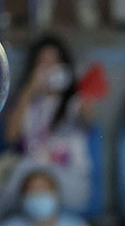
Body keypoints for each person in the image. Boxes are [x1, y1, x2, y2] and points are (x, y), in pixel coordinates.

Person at [0, 35, 94, 215]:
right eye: (43, 62)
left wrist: (82, 95)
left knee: (27, 167)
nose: (50, 68)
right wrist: (29, 91)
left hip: (69, 182)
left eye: (54, 62)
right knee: (26, 169)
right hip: (30, 183)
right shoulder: (27, 105)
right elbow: (10, 137)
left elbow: (87, 119)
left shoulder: (75, 102)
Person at [0, 169, 101, 226]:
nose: (39, 195)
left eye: (44, 190)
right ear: (22, 197)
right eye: (33, 191)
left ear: (56, 194)